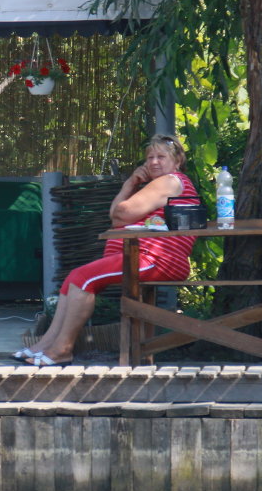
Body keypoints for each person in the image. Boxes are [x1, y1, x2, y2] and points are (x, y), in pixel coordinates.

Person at [14, 134, 201, 366]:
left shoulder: (170, 181)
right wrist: (130, 184)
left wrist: (127, 192)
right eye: (149, 157)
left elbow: (120, 214)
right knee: (72, 280)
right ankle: (44, 345)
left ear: (177, 161)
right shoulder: (155, 185)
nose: (153, 162)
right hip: (141, 257)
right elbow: (115, 217)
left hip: (157, 258)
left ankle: (62, 350)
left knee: (82, 277)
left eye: (161, 157)